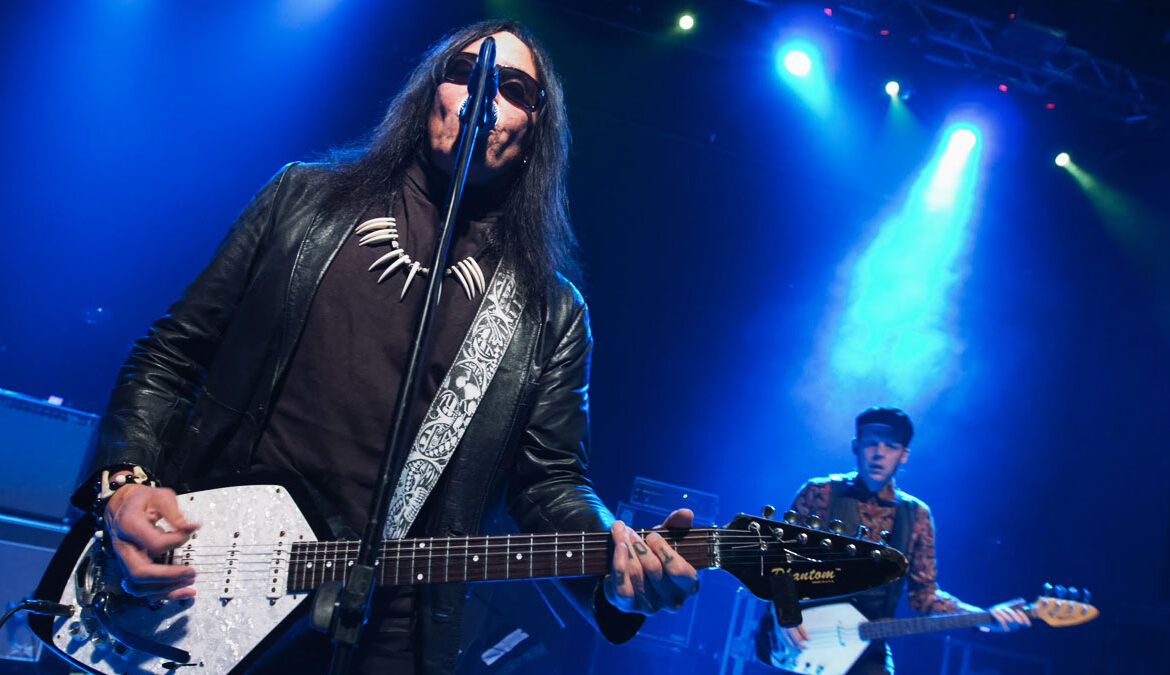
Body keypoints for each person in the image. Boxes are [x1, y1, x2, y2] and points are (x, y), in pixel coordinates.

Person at [69, 20, 698, 674]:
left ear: (534, 130)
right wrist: (124, 482)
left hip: (388, 634)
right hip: (206, 583)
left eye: (513, 88)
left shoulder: (549, 311)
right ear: (431, 92)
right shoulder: (301, 202)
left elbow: (549, 482)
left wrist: (614, 563)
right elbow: (170, 356)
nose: (483, 95)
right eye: (465, 72)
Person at [756, 407, 1030, 674]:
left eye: (891, 446)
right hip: (798, 640)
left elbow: (925, 597)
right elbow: (777, 559)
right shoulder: (820, 492)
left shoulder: (917, 515)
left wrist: (983, 617)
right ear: (856, 446)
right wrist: (784, 610)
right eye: (871, 443)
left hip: (865, 651)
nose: (879, 453)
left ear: (903, 455)